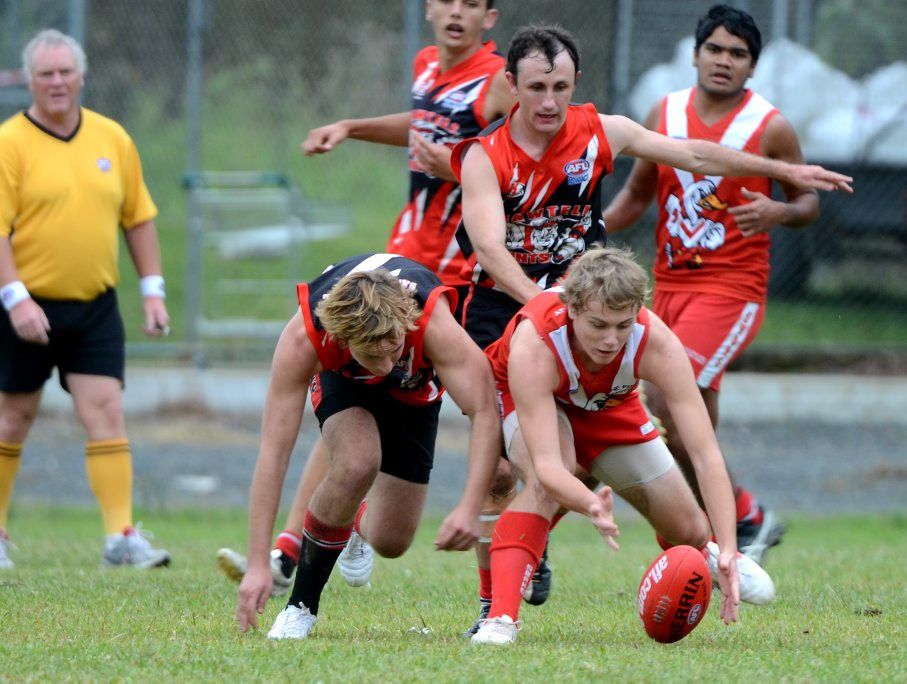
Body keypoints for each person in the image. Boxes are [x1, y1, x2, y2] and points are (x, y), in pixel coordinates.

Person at [450, 23, 851, 608]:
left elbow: (690, 153)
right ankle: (496, 602)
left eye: (560, 86)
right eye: (535, 87)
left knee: (676, 520)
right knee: (519, 470)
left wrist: (787, 172)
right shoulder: (485, 157)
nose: (548, 101)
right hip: (503, 317)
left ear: (575, 83)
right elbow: (489, 247)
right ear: (510, 84)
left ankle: (712, 550)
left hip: (586, 314)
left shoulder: (600, 132)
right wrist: (542, 304)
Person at [219, 0, 543, 628]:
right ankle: (298, 576)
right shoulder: (314, 327)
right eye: (445, 0)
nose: (455, 12)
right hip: (396, 262)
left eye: (471, 3)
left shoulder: (505, 81)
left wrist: (455, 168)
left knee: (407, 524)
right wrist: (351, 126)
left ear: (489, 16)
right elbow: (273, 447)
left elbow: (522, 154)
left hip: (451, 279)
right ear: (428, 9)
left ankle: (521, 529)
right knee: (354, 456)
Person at [471, 246, 776, 645]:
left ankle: (707, 554)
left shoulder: (656, 342)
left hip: (608, 404)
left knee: (689, 529)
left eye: (623, 325)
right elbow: (548, 467)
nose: (611, 340)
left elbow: (705, 455)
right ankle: (501, 618)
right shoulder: (537, 341)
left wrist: (731, 548)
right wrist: (590, 502)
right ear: (572, 307)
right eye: (598, 325)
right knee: (548, 484)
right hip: (532, 399)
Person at [602, 5, 815, 564]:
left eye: (737, 54)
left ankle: (719, 529)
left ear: (752, 66)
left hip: (732, 290)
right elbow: (638, 194)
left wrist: (779, 212)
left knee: (665, 398)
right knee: (685, 426)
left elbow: (808, 199)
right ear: (695, 54)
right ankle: (742, 524)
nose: (724, 61)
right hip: (668, 287)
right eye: (715, 49)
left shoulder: (769, 125)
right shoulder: (664, 112)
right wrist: (589, 227)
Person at [235, 253, 502, 639]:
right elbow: (273, 455)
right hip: (346, 383)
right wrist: (258, 564)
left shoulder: (432, 321)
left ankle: (352, 524)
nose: (386, 363)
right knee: (357, 463)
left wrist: (469, 506)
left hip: (415, 391)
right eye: (372, 354)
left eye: (393, 348)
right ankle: (300, 607)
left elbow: (484, 412)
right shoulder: (306, 337)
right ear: (340, 339)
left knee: (393, 542)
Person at [0, 29, 171, 570]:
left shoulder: (112, 138)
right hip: (24, 305)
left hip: (95, 304)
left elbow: (137, 217)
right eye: (45, 73)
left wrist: (152, 291)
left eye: (65, 72)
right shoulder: (10, 142)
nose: (56, 82)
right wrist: (16, 300)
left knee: (107, 410)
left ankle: (121, 539)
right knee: (11, 419)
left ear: (81, 76)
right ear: (29, 80)